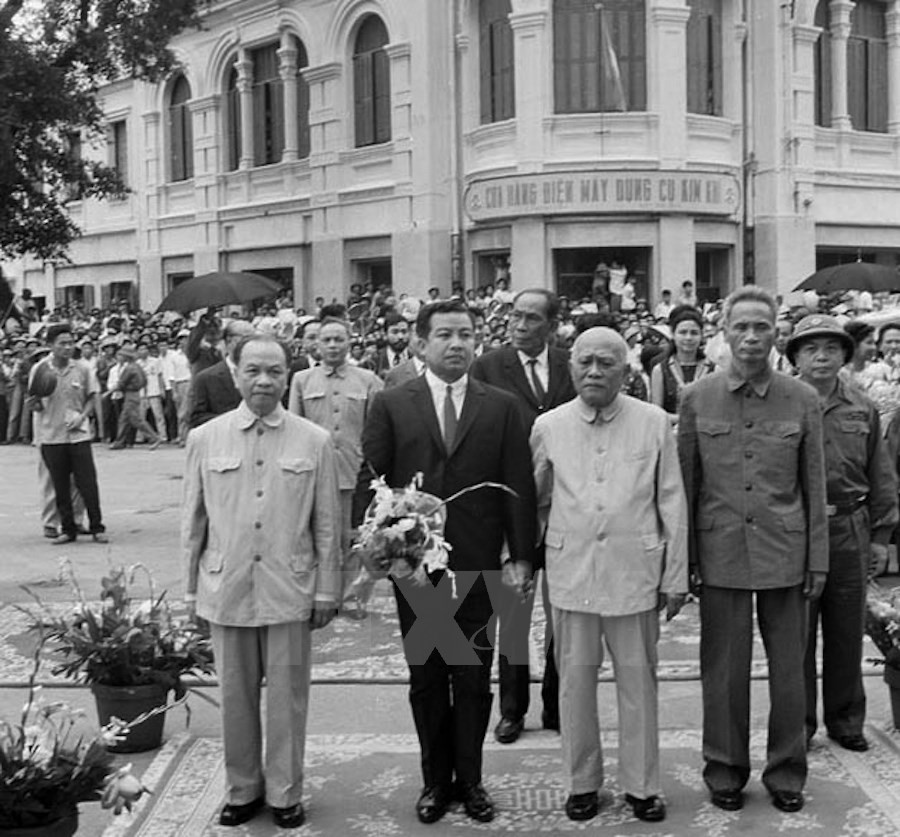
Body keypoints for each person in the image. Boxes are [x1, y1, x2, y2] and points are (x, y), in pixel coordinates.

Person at [359, 299, 536, 824]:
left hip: (478, 565)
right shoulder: (393, 403)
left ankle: (472, 780)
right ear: (420, 342)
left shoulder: (501, 406)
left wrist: (521, 555)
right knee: (430, 677)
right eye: (444, 335)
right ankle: (436, 782)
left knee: (474, 676)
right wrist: (379, 548)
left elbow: (517, 485)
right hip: (416, 568)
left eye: (465, 334)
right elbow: (373, 481)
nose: (456, 344)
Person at [678, 286, 828, 814]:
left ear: (776, 334)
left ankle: (787, 771)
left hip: (786, 557)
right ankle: (724, 769)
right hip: (720, 555)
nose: (750, 337)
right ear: (723, 332)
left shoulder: (802, 398)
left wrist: (817, 561)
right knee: (722, 673)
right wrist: (688, 561)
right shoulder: (697, 398)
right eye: (740, 326)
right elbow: (687, 486)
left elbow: (815, 486)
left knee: (790, 673)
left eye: (761, 327)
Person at [182, 333, 341, 830]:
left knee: (288, 699)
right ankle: (243, 788)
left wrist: (327, 589)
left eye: (274, 371)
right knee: (234, 696)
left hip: (289, 589)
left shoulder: (313, 440)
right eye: (253, 370)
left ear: (287, 375)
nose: (264, 381)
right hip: (225, 587)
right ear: (235, 373)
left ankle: (285, 792)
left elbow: (328, 524)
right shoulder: (205, 439)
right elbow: (194, 521)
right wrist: (190, 591)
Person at [531, 327, 688, 823]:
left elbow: (671, 498)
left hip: (635, 572)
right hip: (571, 572)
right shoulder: (548, 425)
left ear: (626, 370)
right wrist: (538, 549)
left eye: (606, 363)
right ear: (570, 367)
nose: (594, 371)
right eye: (584, 362)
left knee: (638, 684)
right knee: (573, 685)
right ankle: (581, 783)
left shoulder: (653, 421)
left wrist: (676, 573)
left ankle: (642, 786)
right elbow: (535, 499)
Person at [787, 315, 898, 752]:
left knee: (847, 626)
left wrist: (881, 537)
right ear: (795, 356)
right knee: (795, 631)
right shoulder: (781, 402)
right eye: (811, 348)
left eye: (831, 348)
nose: (821, 356)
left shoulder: (862, 406)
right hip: (795, 528)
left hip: (850, 525)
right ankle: (798, 722)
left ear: (844, 355)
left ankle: (846, 718)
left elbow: (881, 473)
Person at [470, 288, 576, 742]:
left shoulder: (573, 363)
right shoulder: (488, 366)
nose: (520, 324)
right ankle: (512, 708)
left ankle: (558, 704)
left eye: (532, 318)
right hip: (512, 507)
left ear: (552, 326)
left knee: (565, 615)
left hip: (567, 507)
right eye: (515, 315)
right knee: (513, 613)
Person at [288, 317, 383, 618]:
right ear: (315, 344)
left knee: (352, 537)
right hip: (313, 472)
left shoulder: (368, 379)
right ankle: (319, 593)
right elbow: (293, 427)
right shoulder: (302, 380)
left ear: (350, 342)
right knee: (315, 535)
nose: (332, 345)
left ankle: (351, 596)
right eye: (326, 340)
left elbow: (377, 429)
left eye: (338, 339)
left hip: (354, 471)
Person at [30, 323, 108, 544]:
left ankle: (97, 527)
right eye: (62, 343)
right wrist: (34, 403)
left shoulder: (82, 368)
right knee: (59, 485)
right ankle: (67, 529)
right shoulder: (40, 370)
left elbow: (93, 396)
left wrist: (83, 416)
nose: (67, 347)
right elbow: (33, 401)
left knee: (87, 482)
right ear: (50, 345)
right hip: (51, 435)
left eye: (70, 343)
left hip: (79, 435)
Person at [650, 307, 714, 422]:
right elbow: (656, 413)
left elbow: (719, 410)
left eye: (694, 333)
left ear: (701, 336)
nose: (688, 338)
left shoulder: (714, 369)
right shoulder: (660, 370)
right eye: (683, 332)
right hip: (671, 435)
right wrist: (684, 419)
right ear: (673, 334)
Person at [189, 321, 256, 429]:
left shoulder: (261, 375)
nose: (251, 344)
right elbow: (197, 418)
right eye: (246, 338)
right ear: (229, 340)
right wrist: (232, 420)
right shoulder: (206, 378)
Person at [109, 347, 162, 450]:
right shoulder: (137, 366)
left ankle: (154, 437)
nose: (119, 358)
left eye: (121, 355)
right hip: (135, 394)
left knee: (135, 419)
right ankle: (119, 441)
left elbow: (121, 383)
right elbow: (145, 381)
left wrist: (111, 390)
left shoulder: (129, 368)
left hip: (130, 395)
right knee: (124, 419)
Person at [371, 311, 410, 378]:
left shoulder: (416, 357)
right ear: (385, 334)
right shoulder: (374, 360)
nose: (400, 336)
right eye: (395, 332)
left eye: (404, 332)